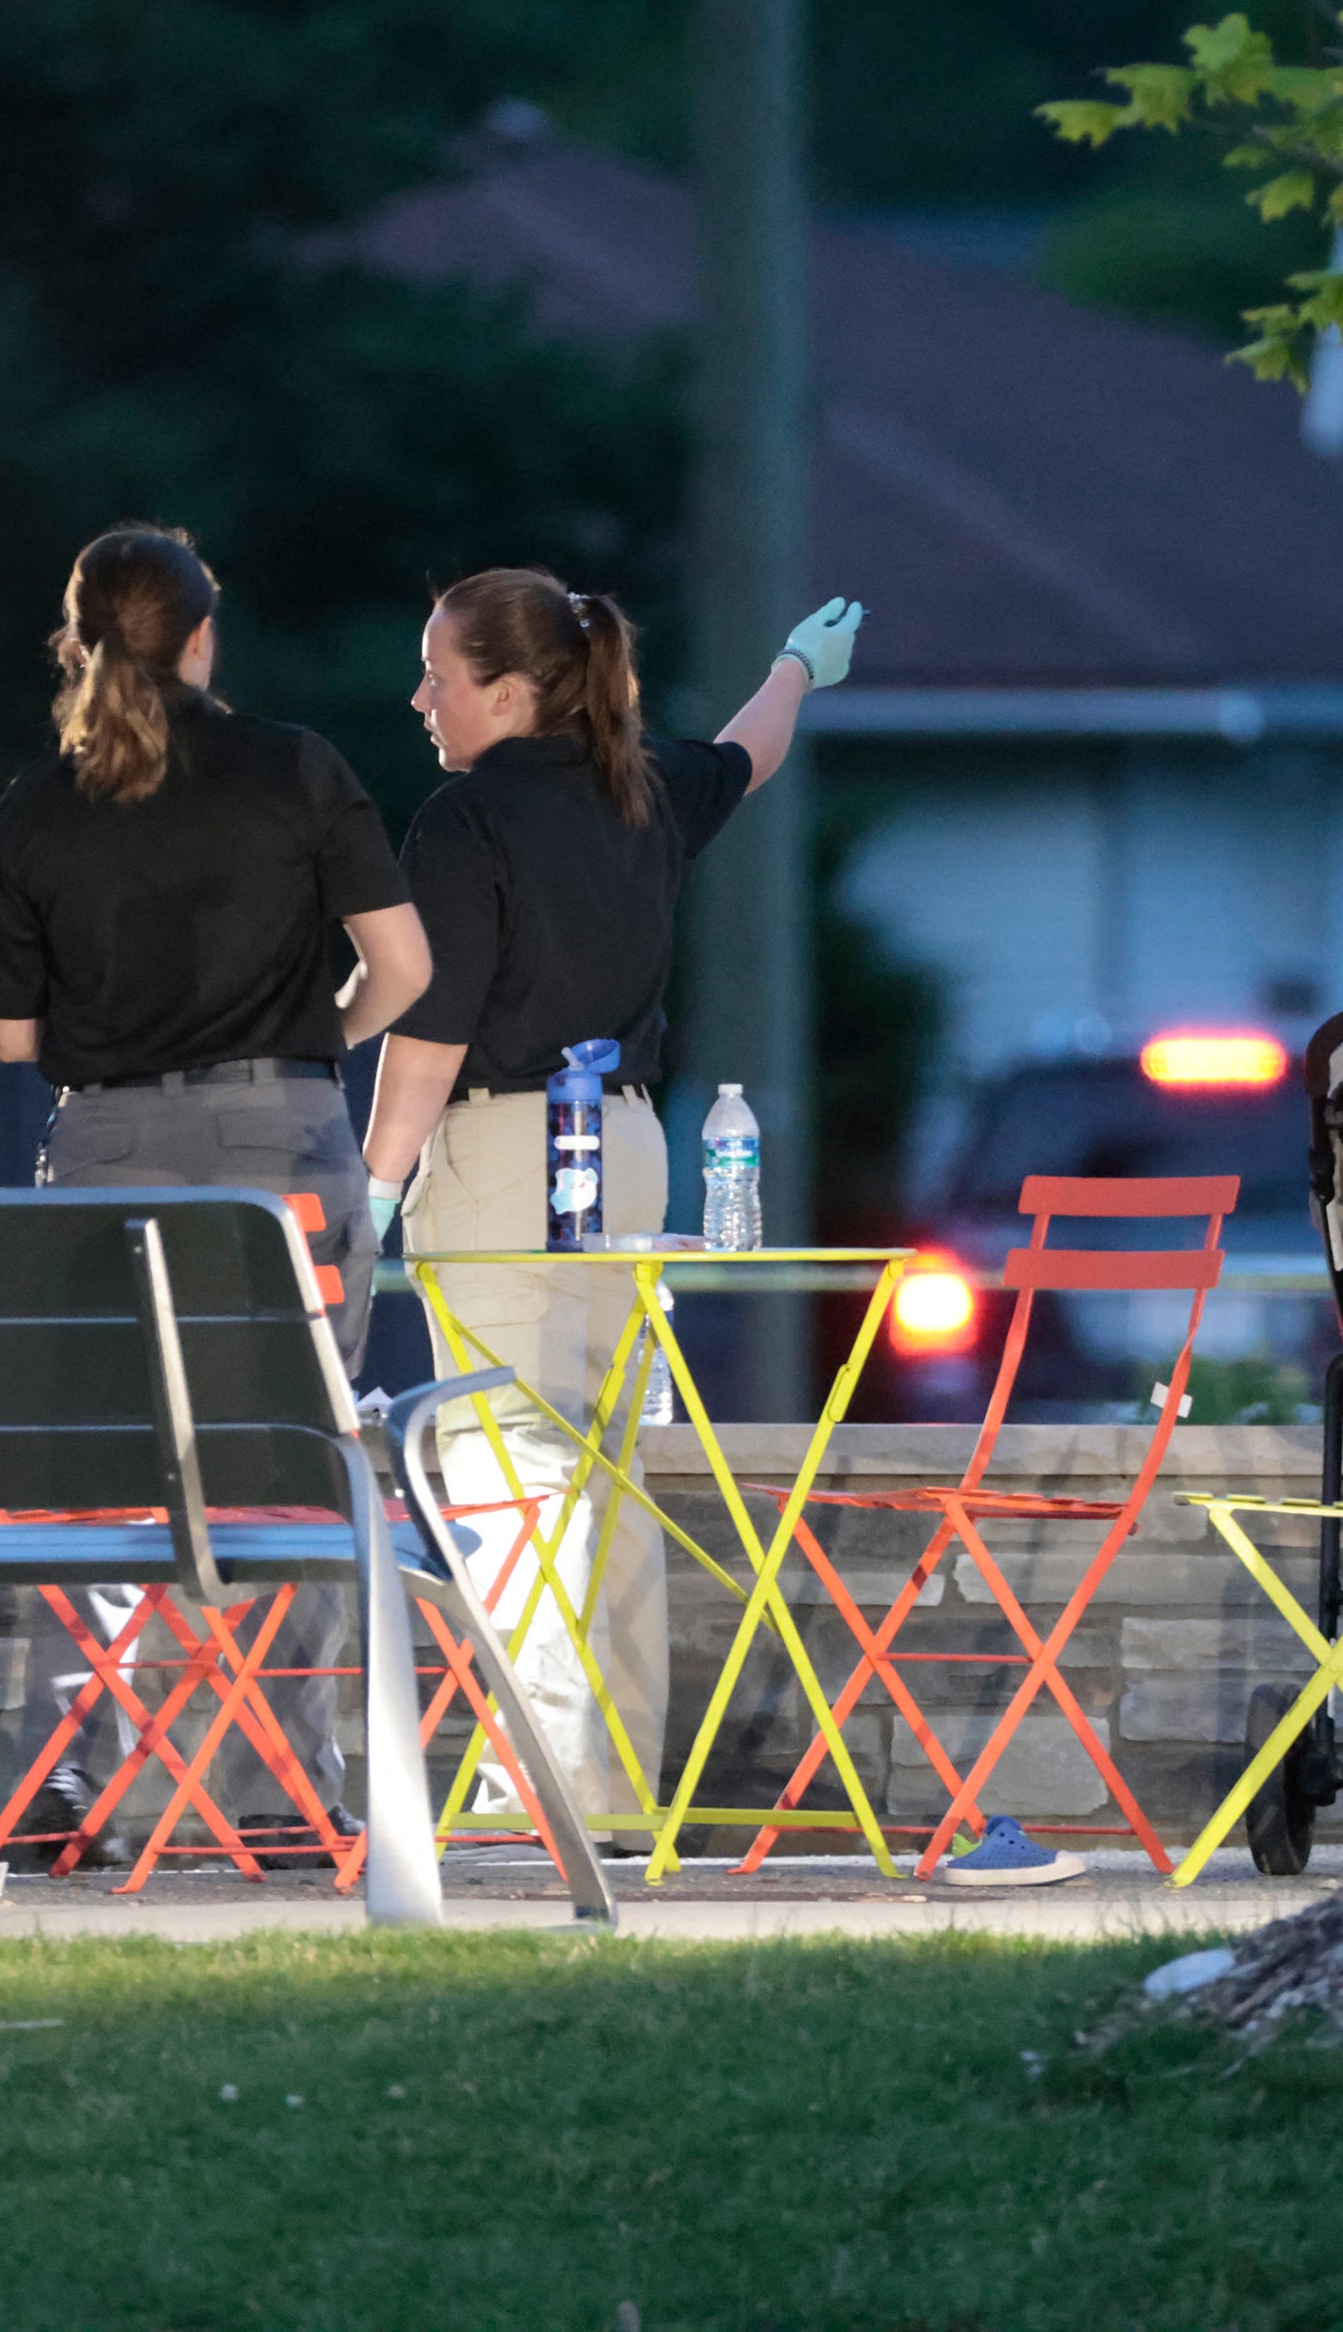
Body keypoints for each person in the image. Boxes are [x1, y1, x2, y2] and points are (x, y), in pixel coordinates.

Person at [0, 524, 430, 1862]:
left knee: (100, 1450)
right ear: (206, 637)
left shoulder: (40, 801)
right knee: (299, 1447)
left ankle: (80, 1771)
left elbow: (8, 1038)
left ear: (81, 644)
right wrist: (310, 1032)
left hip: (104, 1148)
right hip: (285, 1142)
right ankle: (288, 1787)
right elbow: (403, 965)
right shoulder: (296, 767)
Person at [359, 569, 863, 1832]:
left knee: (504, 1468)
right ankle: (608, 1775)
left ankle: (544, 1781)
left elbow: (426, 1039)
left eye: (440, 673)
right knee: (606, 1467)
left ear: (514, 691)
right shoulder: (640, 788)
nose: (417, 696)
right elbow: (750, 752)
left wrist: (364, 1190)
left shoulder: (461, 825)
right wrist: (797, 664)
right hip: (629, 1154)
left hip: (501, 1157)